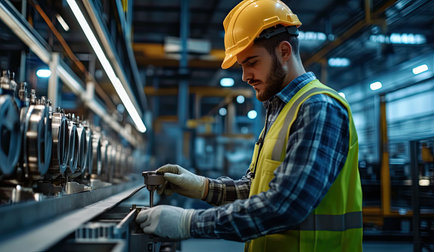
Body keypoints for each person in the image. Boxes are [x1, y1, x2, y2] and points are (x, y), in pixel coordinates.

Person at [135, 0, 363, 251]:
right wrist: (203, 187)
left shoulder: (319, 107)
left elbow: (285, 206)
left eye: (251, 62)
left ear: (284, 52)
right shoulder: (282, 109)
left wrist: (189, 222)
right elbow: (256, 190)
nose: (245, 76)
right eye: (242, 65)